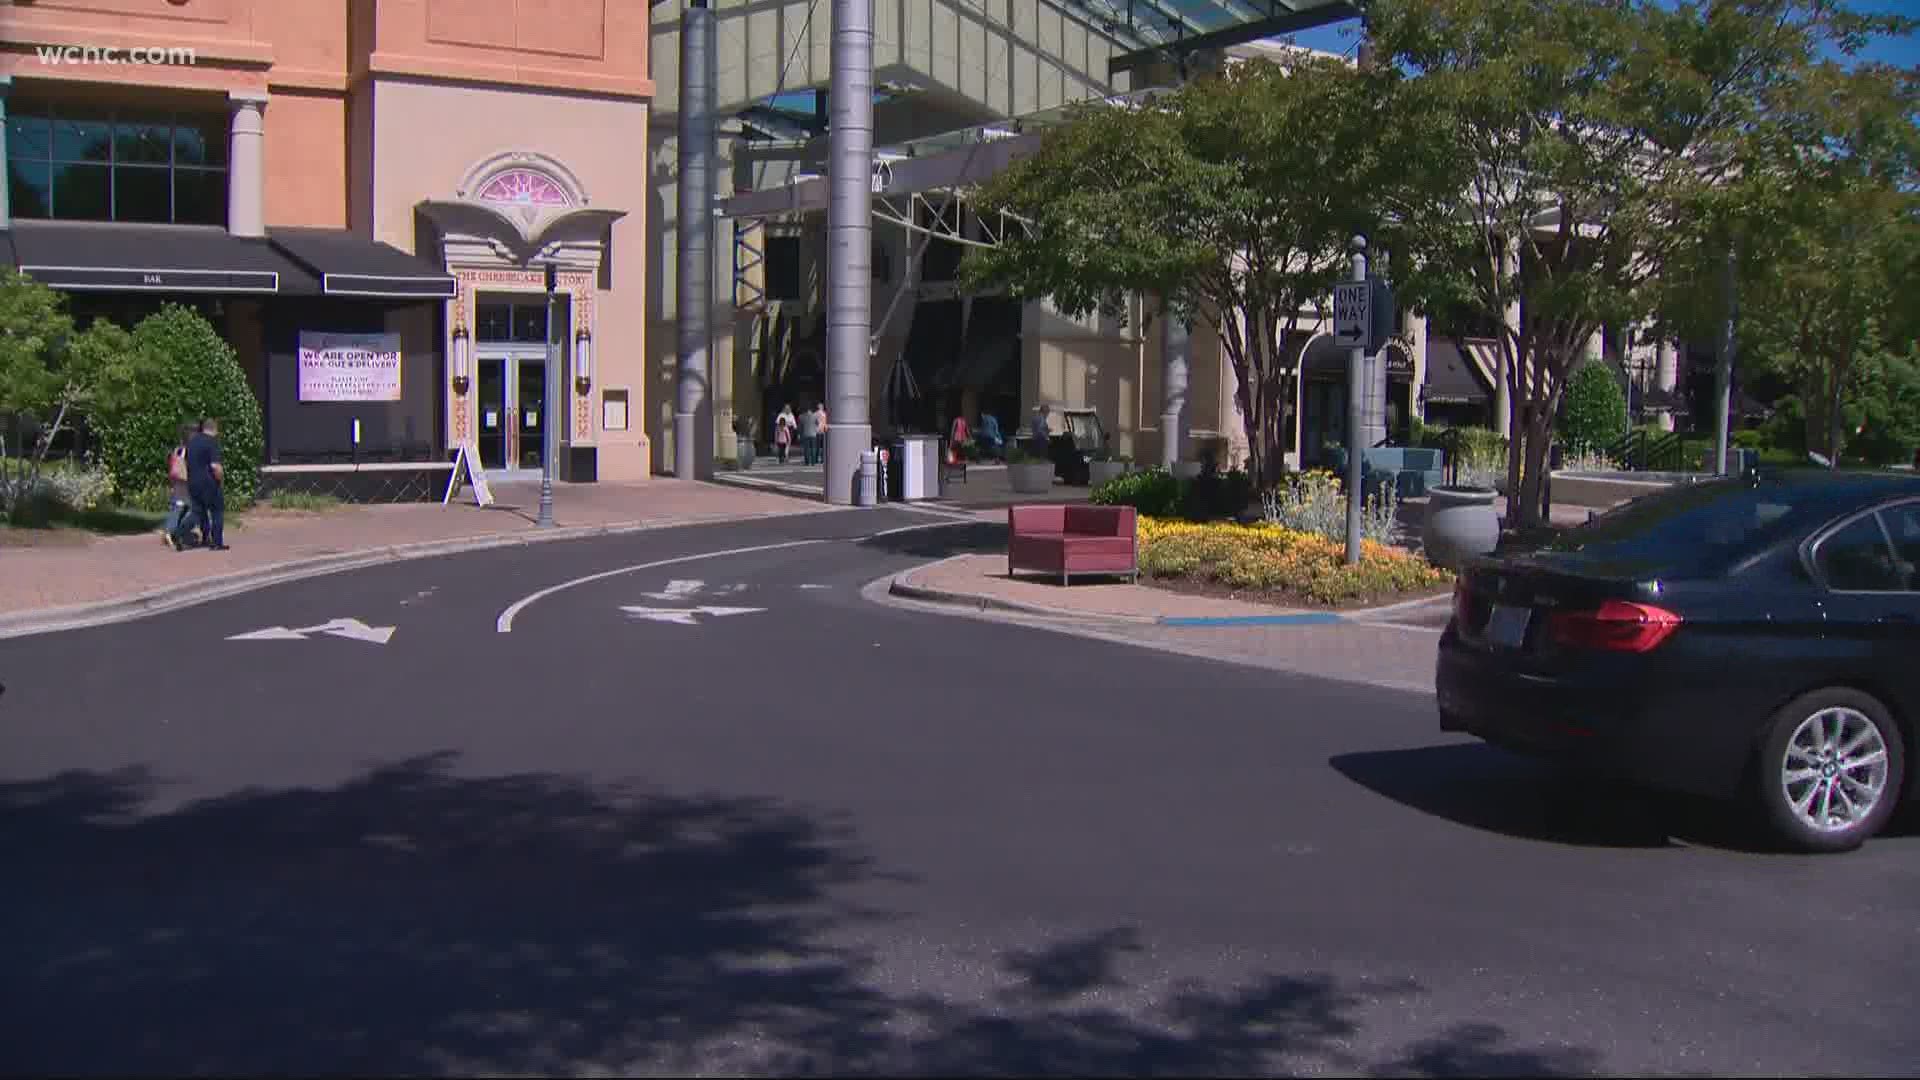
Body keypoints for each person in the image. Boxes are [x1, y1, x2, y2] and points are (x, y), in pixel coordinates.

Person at [186, 416, 228, 552]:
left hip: (193, 482)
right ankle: (217, 542)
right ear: (214, 428)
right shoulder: (211, 442)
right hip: (209, 483)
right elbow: (215, 466)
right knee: (217, 511)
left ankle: (182, 533)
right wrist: (220, 479)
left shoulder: (192, 442)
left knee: (199, 512)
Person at [161, 421, 200, 551]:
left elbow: (173, 467)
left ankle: (171, 532)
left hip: (178, 482)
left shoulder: (178, 449)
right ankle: (174, 533)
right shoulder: (192, 450)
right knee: (193, 510)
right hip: (187, 483)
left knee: (178, 507)